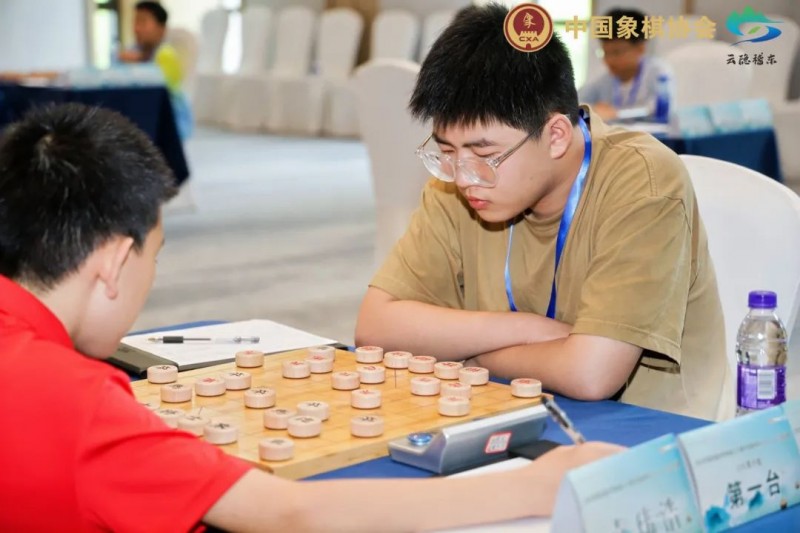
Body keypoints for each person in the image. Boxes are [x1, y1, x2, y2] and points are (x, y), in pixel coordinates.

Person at [0, 103, 620, 531]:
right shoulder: (77, 402)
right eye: (154, 258)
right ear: (114, 262)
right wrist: (533, 486)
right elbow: (286, 513)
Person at [355, 4, 726, 420]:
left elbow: (591, 374)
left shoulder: (643, 182)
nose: (463, 177)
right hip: (503, 412)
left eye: (485, 156)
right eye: (446, 152)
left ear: (556, 136)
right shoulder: (456, 186)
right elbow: (375, 328)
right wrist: (527, 330)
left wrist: (470, 356)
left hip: (642, 431)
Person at [578, 8, 673, 122]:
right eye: (605, 53)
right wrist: (592, 110)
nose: (609, 60)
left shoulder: (658, 72)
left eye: (616, 52)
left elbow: (657, 108)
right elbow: (576, 101)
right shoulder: (605, 79)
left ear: (640, 48)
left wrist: (617, 114)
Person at [119, 1, 193, 139]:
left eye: (143, 22)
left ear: (161, 29)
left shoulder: (167, 54)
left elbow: (161, 86)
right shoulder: (132, 51)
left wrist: (140, 60)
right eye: (135, 22)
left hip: (168, 126)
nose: (136, 28)